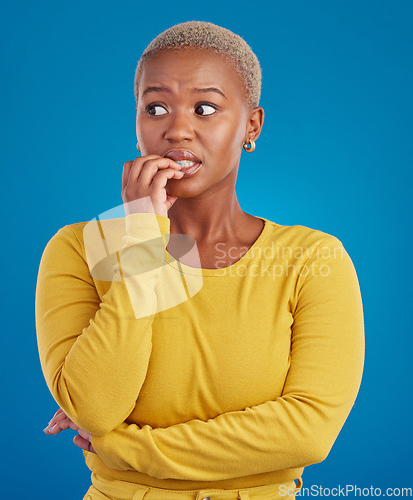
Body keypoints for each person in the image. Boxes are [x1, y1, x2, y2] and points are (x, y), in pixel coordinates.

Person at [36, 21, 365, 500]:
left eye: (205, 108)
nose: (177, 130)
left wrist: (125, 449)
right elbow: (95, 409)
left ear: (251, 125)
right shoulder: (76, 249)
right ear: (136, 122)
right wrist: (141, 242)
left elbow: (308, 432)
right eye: (155, 108)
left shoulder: (312, 258)